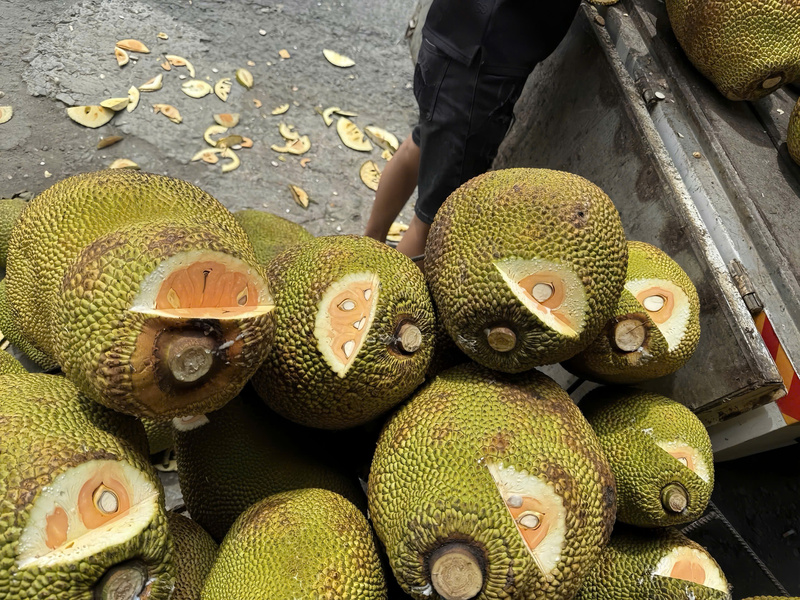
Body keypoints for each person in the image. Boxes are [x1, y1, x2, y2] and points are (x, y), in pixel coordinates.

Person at [364, 0, 582, 265]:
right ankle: (382, 288)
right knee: (436, 220)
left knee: (420, 143)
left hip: (448, 36)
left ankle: (367, 253)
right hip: (480, 65)